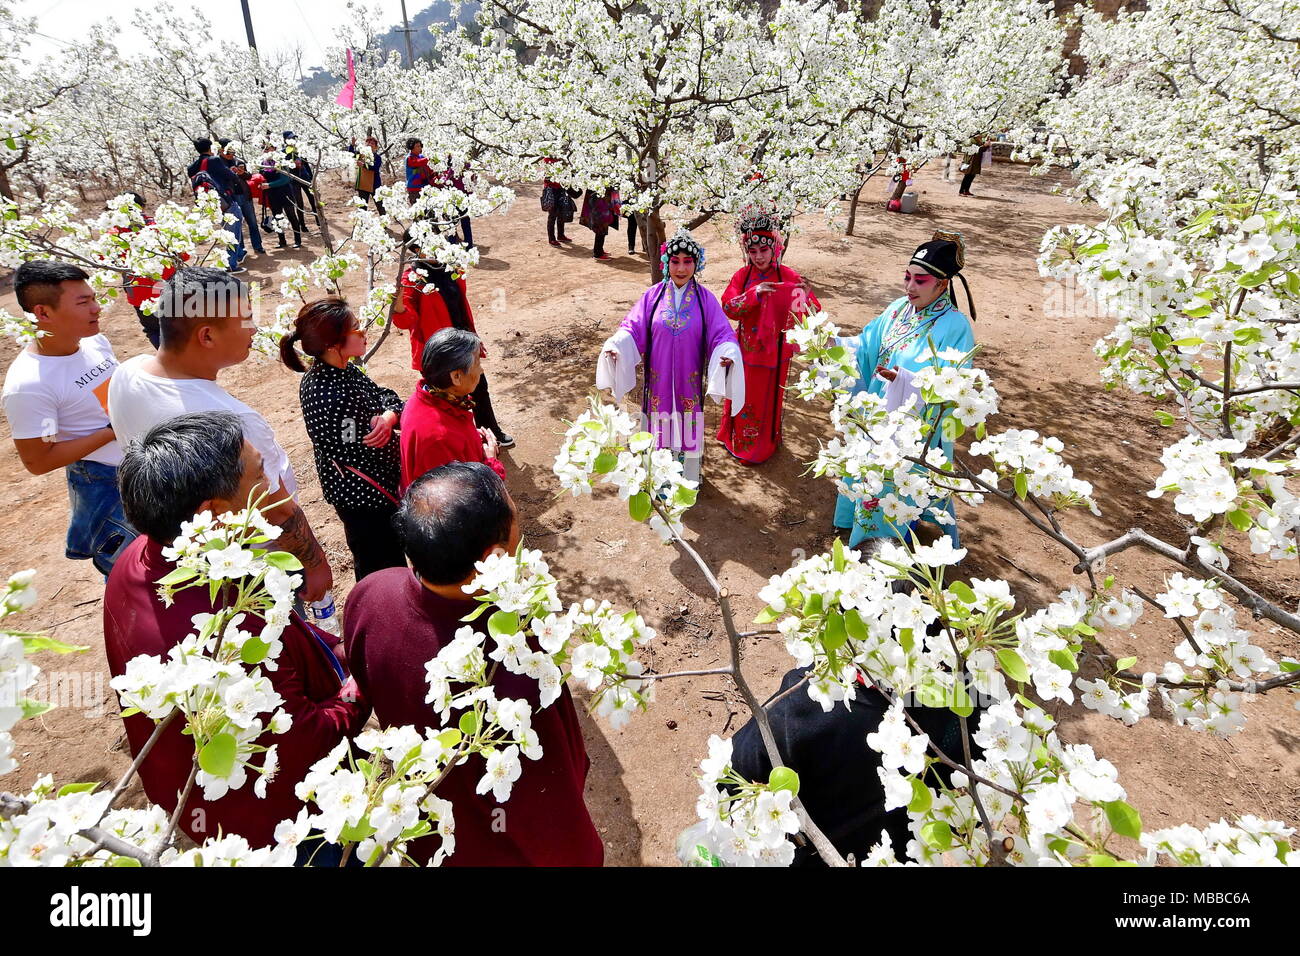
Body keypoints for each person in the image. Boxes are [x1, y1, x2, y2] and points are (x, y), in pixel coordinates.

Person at [106, 411, 369, 855]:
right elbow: (300, 741)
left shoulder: (137, 559)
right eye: (259, 473)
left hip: (195, 797)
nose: (274, 483)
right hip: (277, 821)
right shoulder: (231, 628)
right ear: (212, 513)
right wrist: (363, 684)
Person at [344, 461, 603, 866]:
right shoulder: (516, 661)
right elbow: (551, 801)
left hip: (429, 830)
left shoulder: (369, 596)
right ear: (494, 556)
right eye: (516, 517)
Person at [107, 267, 333, 601]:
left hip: (190, 562)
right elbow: (276, 508)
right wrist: (313, 565)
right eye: (245, 319)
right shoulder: (233, 422)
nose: (254, 328)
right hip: (255, 570)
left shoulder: (126, 373)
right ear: (207, 336)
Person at [833, 231, 977, 548]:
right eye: (907, 277)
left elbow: (957, 382)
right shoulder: (898, 308)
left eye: (921, 281)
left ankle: (878, 545)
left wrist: (905, 379)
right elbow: (866, 345)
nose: (910, 287)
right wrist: (834, 346)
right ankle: (860, 524)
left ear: (942, 285)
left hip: (912, 424)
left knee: (892, 481)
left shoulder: (956, 327)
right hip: (875, 411)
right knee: (867, 470)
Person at [2, 261, 135, 576]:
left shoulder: (93, 342)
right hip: (106, 488)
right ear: (43, 313)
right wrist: (112, 430)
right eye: (83, 302)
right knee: (131, 578)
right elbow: (38, 460)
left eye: (93, 298)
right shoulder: (29, 385)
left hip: (139, 470)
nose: (97, 308)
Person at [596, 227, 743, 482]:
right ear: (667, 262)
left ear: (697, 264)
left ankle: (687, 481)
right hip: (658, 384)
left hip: (689, 383)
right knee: (659, 426)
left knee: (687, 426)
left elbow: (722, 333)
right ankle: (657, 479)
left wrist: (727, 352)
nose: (681, 269)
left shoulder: (705, 299)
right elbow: (633, 326)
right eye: (675, 262)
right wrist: (617, 344)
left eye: (688, 262)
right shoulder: (652, 297)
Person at [280, 298, 407, 583]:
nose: (363, 333)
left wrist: (388, 417)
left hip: (377, 489)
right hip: (364, 498)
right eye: (356, 328)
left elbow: (385, 395)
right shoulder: (329, 394)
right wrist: (383, 427)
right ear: (333, 343)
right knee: (380, 563)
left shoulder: (344, 370)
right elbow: (356, 447)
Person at [716, 212, 820, 465]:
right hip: (747, 353)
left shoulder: (789, 277)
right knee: (742, 396)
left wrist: (805, 296)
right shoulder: (742, 277)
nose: (759, 256)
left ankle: (763, 446)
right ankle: (737, 441)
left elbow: (809, 319)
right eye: (753, 251)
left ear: (775, 248)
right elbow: (729, 308)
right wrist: (754, 294)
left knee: (767, 401)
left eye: (764, 249)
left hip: (777, 355)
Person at [393, 246, 513, 447]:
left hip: (463, 341)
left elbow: (460, 306)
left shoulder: (450, 267)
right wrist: (397, 303)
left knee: (479, 388)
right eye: (431, 241)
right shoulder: (412, 278)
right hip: (440, 352)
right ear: (415, 248)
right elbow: (406, 321)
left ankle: (489, 433)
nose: (439, 246)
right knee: (450, 400)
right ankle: (460, 444)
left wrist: (473, 336)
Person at [400, 328, 506, 493]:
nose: (481, 370)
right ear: (456, 377)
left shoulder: (424, 399)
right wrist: (491, 461)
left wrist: (469, 439)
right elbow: (462, 501)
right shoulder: (439, 439)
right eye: (477, 363)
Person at [114, 193, 182, 347]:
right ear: (142, 207)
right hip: (167, 287)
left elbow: (106, 260)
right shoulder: (159, 227)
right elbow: (183, 255)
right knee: (179, 326)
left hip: (137, 292)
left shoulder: (114, 235)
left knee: (153, 330)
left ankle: (168, 362)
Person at [187, 137, 245, 272]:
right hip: (224, 199)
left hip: (209, 204)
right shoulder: (214, 160)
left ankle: (239, 254)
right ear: (210, 147)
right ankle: (231, 264)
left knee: (226, 230)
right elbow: (230, 176)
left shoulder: (192, 167)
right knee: (233, 230)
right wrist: (234, 172)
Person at [221, 145, 265, 257]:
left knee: (253, 223)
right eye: (229, 152)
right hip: (232, 198)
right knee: (237, 225)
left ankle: (258, 246)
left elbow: (249, 176)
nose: (231, 155)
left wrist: (242, 173)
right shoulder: (219, 164)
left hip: (245, 196)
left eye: (232, 152)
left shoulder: (238, 161)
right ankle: (241, 250)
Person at [261, 160, 303, 249]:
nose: (266, 150)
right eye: (264, 148)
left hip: (285, 193)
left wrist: (270, 184)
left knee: (291, 216)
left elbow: (286, 179)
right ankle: (282, 241)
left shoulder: (281, 161)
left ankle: (298, 240)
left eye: (268, 148)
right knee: (277, 218)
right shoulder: (263, 163)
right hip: (272, 195)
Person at [580, 187, 619, 261]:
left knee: (603, 225)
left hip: (603, 200)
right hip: (599, 202)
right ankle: (597, 253)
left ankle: (599, 250)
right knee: (601, 226)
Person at [348, 135, 385, 212]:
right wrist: (352, 144)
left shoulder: (377, 157)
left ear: (376, 147)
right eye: (368, 143)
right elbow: (351, 154)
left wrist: (364, 165)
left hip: (375, 185)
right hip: (363, 184)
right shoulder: (361, 156)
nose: (370, 145)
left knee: (380, 206)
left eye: (372, 143)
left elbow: (375, 167)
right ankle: (362, 223)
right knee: (362, 207)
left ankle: (384, 222)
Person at [540, 157, 571, 246]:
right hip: (551, 190)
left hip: (560, 188)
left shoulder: (561, 158)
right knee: (552, 215)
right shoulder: (547, 159)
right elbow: (549, 176)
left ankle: (560, 235)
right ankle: (551, 239)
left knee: (561, 212)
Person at [405, 138, 433, 205]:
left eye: (420, 146)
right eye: (417, 146)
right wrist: (429, 158)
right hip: (414, 187)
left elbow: (428, 168)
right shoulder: (409, 158)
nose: (420, 148)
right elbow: (417, 163)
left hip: (424, 185)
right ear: (411, 148)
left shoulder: (421, 156)